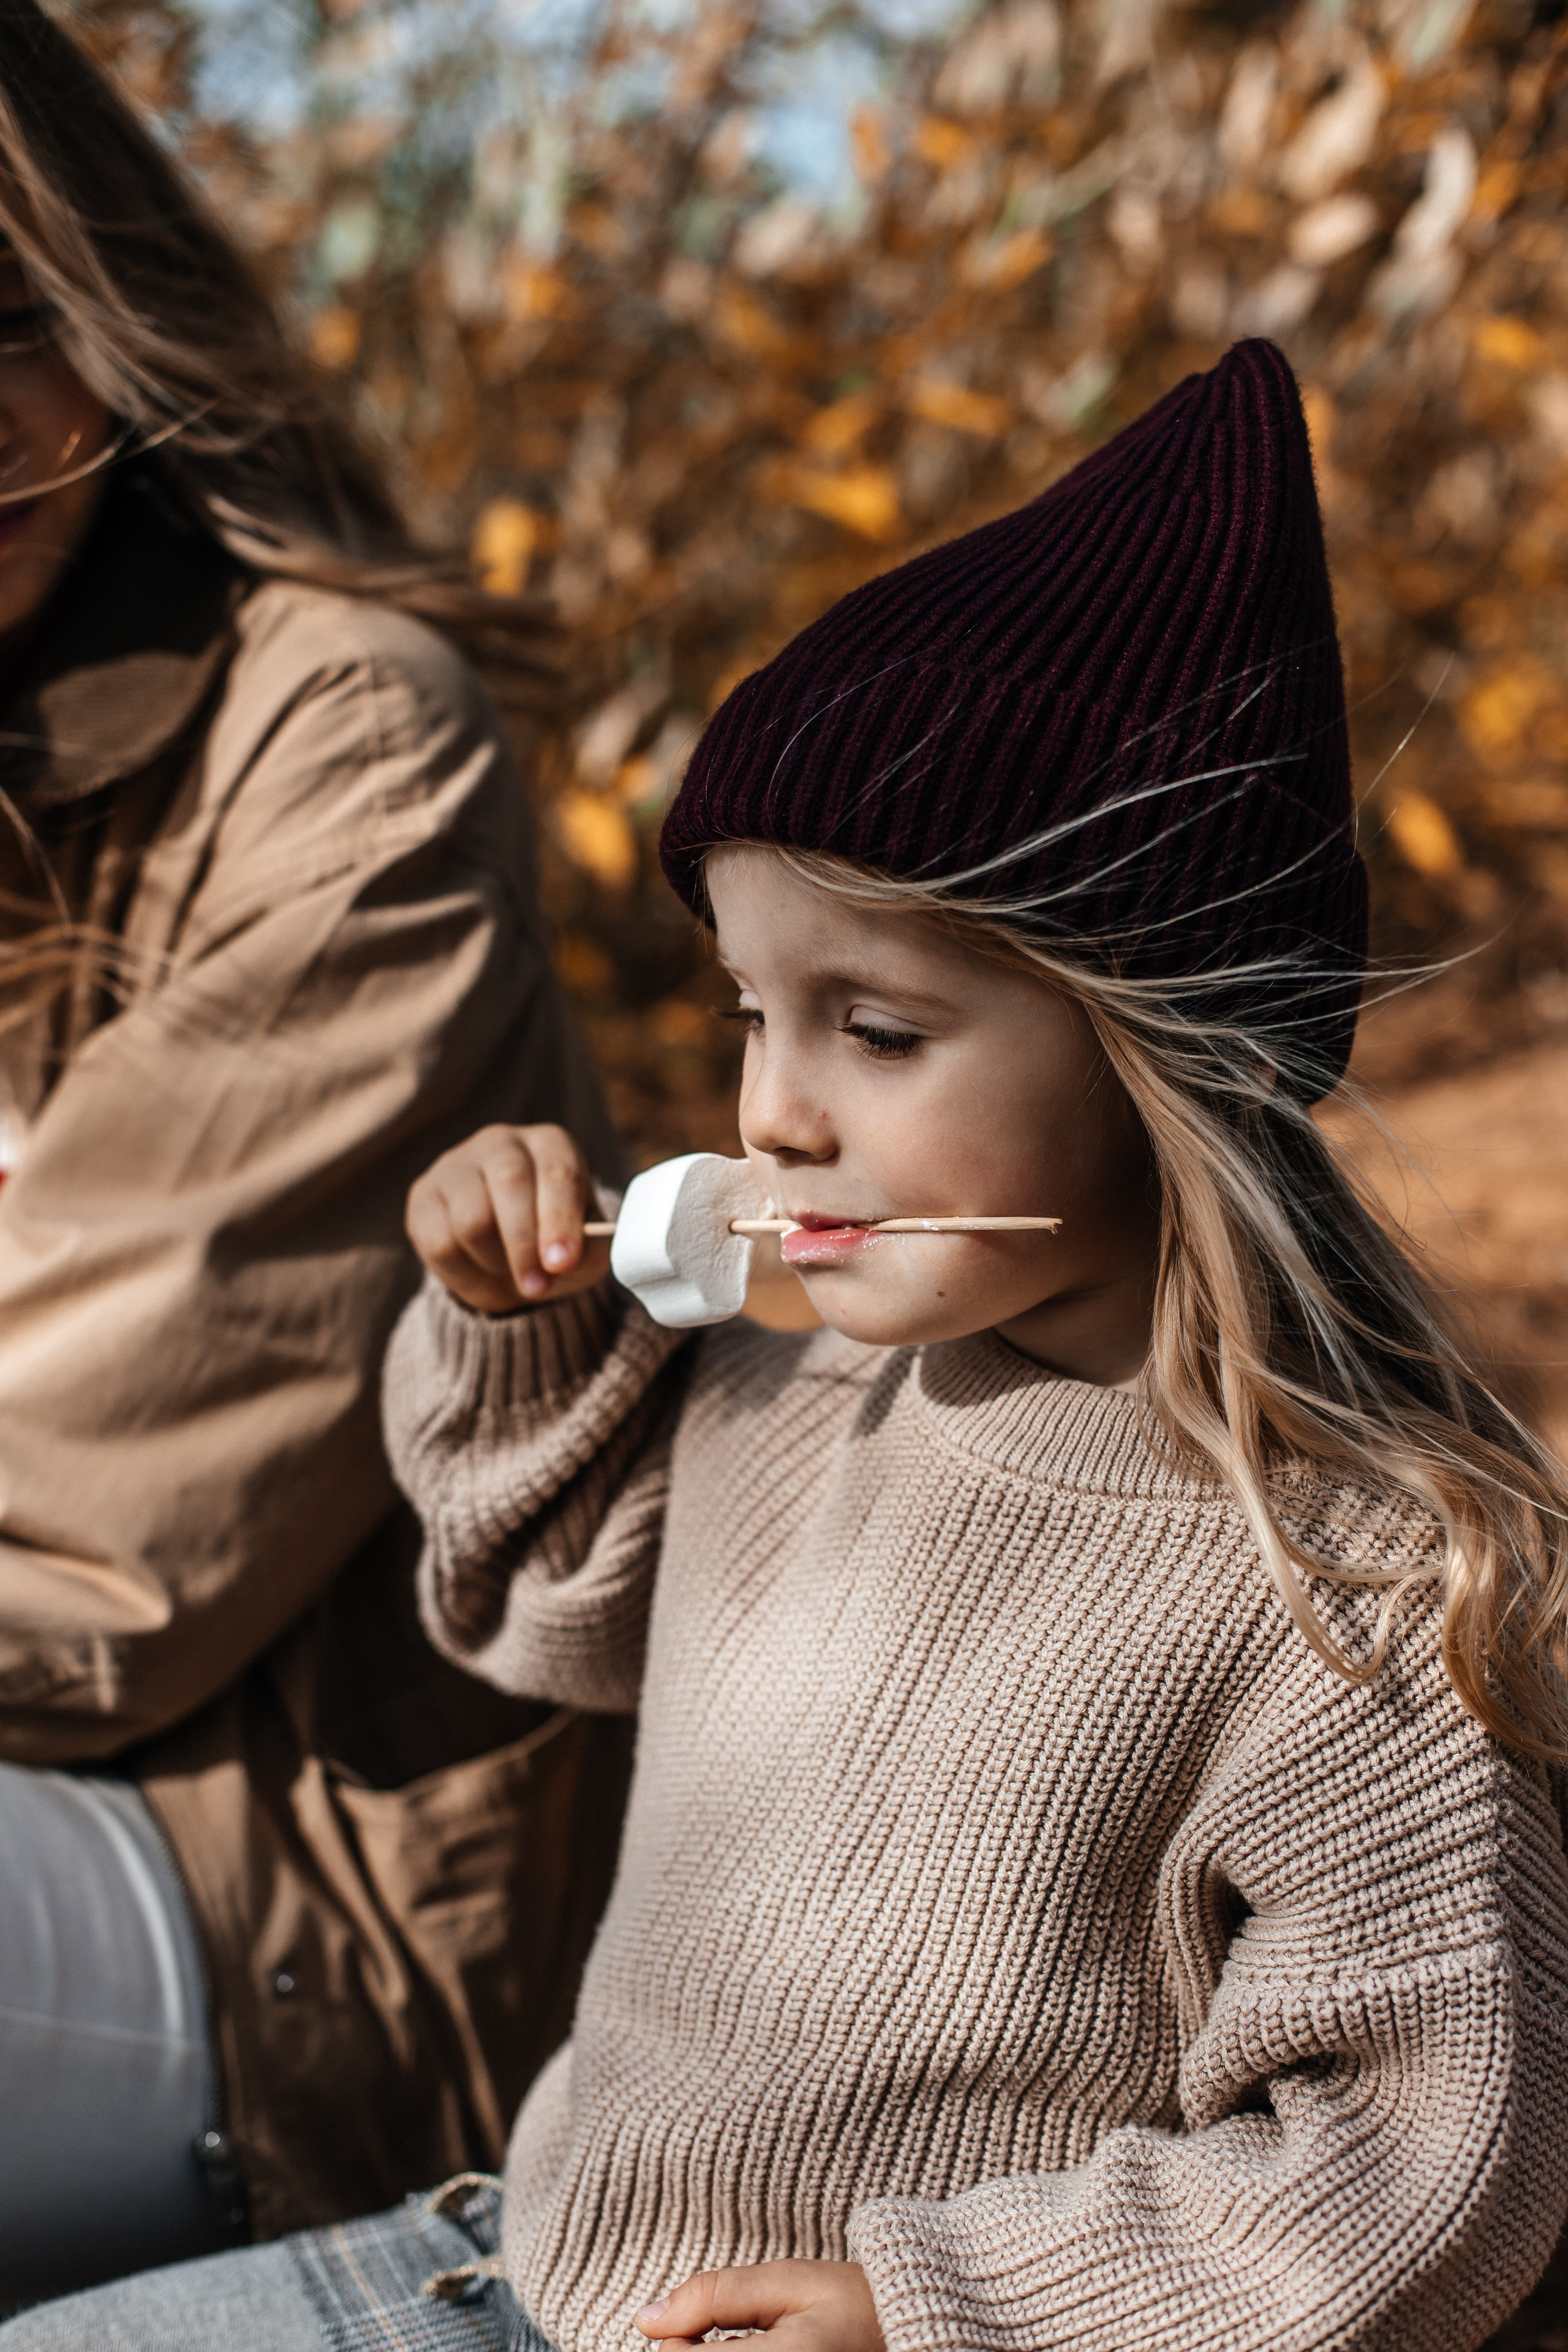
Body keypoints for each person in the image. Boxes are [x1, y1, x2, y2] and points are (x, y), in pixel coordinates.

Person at [11, 341, 1567, 2351]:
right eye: (754, 1013)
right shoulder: (779, 1405)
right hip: (523, 2270)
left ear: (1185, 1057)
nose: (773, 1110)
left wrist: (936, 2313)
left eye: (878, 1030)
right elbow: (531, 1604)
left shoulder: (1353, 1597)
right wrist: (516, 1329)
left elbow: (1423, 2166)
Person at [0, 0, 631, 2310]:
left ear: (113, 316)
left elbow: (83, 1545)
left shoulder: (348, 736)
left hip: (267, 1898)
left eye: (1, 325)